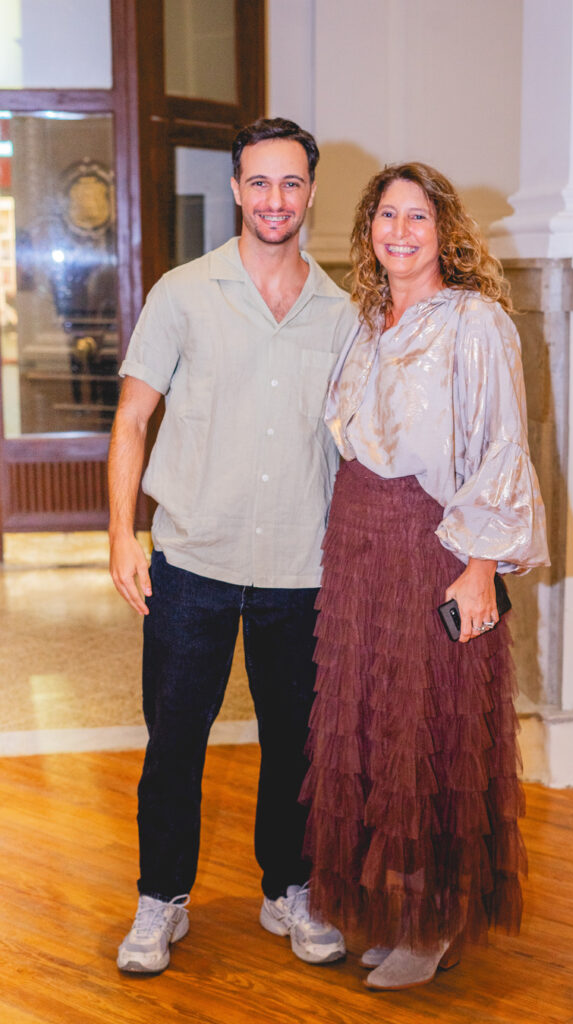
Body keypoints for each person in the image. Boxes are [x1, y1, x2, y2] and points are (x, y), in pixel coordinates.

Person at [108, 118, 357, 974]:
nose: (274, 200)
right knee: (174, 741)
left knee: (296, 745)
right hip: (192, 561)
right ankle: (160, 900)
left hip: (302, 567)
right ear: (235, 189)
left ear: (311, 191)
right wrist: (119, 535)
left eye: (290, 183)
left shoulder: (345, 313)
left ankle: (288, 888)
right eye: (258, 183)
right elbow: (133, 419)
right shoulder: (182, 292)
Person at [300, 163, 550, 991]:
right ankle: (394, 905)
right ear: (368, 228)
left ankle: (432, 919)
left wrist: (479, 567)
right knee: (370, 720)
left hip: (431, 541)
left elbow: (500, 450)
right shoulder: (367, 317)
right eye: (385, 215)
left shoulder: (474, 322)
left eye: (417, 216)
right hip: (358, 538)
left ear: (444, 231)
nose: (399, 230)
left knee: (427, 725)